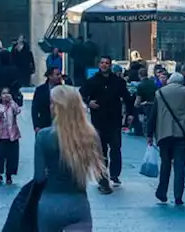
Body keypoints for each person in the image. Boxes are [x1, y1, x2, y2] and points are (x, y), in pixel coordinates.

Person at [35, 85, 108, 231]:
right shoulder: (90, 135)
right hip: (78, 204)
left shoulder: (43, 136)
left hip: (49, 203)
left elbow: (39, 177)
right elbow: (102, 175)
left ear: (57, 107)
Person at [80, 55, 131, 190]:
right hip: (99, 121)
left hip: (114, 120)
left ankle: (114, 174)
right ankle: (102, 176)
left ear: (110, 65)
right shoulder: (92, 81)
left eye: (107, 63)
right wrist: (88, 102)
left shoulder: (118, 82)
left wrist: (130, 114)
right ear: (99, 65)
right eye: (102, 63)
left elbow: (127, 97)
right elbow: (81, 94)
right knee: (100, 150)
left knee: (115, 148)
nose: (104, 65)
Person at [146, 73, 185, 206]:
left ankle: (162, 192)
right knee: (180, 166)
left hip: (164, 133)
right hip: (181, 133)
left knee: (165, 164)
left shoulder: (160, 93)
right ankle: (178, 196)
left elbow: (154, 114)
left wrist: (149, 134)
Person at [0, 87, 23, 184]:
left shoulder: (13, 106)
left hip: (12, 136)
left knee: (12, 156)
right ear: (0, 96)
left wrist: (12, 101)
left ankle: (9, 176)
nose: (5, 96)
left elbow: (17, 111)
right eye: (3, 94)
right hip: (1, 136)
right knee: (0, 155)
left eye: (7, 94)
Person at [31, 66, 64, 131]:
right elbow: (35, 108)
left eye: (60, 74)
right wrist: (36, 125)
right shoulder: (40, 90)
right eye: (57, 75)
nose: (60, 76)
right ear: (50, 76)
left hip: (61, 125)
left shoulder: (64, 90)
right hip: (44, 124)